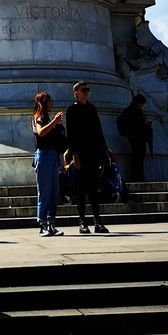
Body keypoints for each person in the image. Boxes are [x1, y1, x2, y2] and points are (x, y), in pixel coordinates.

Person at [64, 81, 109, 234]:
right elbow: (70, 135)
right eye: (84, 90)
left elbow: (99, 130)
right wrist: (75, 155)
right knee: (81, 190)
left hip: (93, 153)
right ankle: (82, 222)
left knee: (94, 189)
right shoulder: (72, 110)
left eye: (87, 90)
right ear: (76, 93)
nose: (86, 92)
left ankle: (98, 222)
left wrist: (104, 151)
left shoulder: (92, 108)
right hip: (80, 154)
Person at [32, 92, 66, 237]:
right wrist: (54, 122)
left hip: (52, 155)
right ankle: (42, 224)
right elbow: (40, 133)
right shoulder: (38, 118)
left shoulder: (47, 118)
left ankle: (51, 223)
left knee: (54, 192)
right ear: (44, 103)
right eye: (50, 101)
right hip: (44, 155)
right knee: (44, 192)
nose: (52, 104)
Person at [117, 93, 152, 181]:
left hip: (140, 137)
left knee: (140, 157)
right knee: (137, 157)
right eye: (141, 103)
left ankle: (140, 176)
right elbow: (132, 123)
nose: (142, 105)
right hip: (135, 137)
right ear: (138, 103)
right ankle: (137, 177)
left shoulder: (138, 111)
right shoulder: (131, 111)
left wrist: (146, 124)